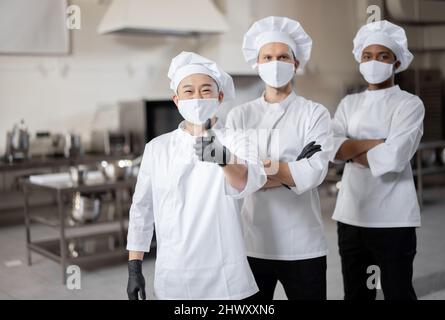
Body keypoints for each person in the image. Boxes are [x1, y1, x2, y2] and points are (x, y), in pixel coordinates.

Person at [126, 51, 267, 300]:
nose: (197, 98)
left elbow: (248, 181)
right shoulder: (157, 148)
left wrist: (223, 160)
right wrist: (134, 266)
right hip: (174, 275)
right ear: (176, 99)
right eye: (188, 91)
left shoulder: (237, 141)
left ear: (220, 96)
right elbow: (142, 209)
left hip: (225, 276)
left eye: (205, 90)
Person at [226, 16, 332, 300]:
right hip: (252, 244)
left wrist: (254, 172)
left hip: (303, 244)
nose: (275, 63)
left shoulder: (315, 113)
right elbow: (233, 180)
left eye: (283, 56)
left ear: (296, 63)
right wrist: (290, 168)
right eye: (268, 57)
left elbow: (314, 173)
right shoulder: (239, 115)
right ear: (257, 63)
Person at [331, 20, 425, 300]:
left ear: (396, 62)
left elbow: (394, 157)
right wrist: (377, 144)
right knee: (357, 294)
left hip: (393, 218)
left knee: (398, 292)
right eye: (367, 56)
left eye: (383, 56)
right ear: (359, 60)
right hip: (351, 215)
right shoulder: (349, 104)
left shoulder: (409, 104)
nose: (374, 62)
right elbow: (332, 150)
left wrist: (351, 150)